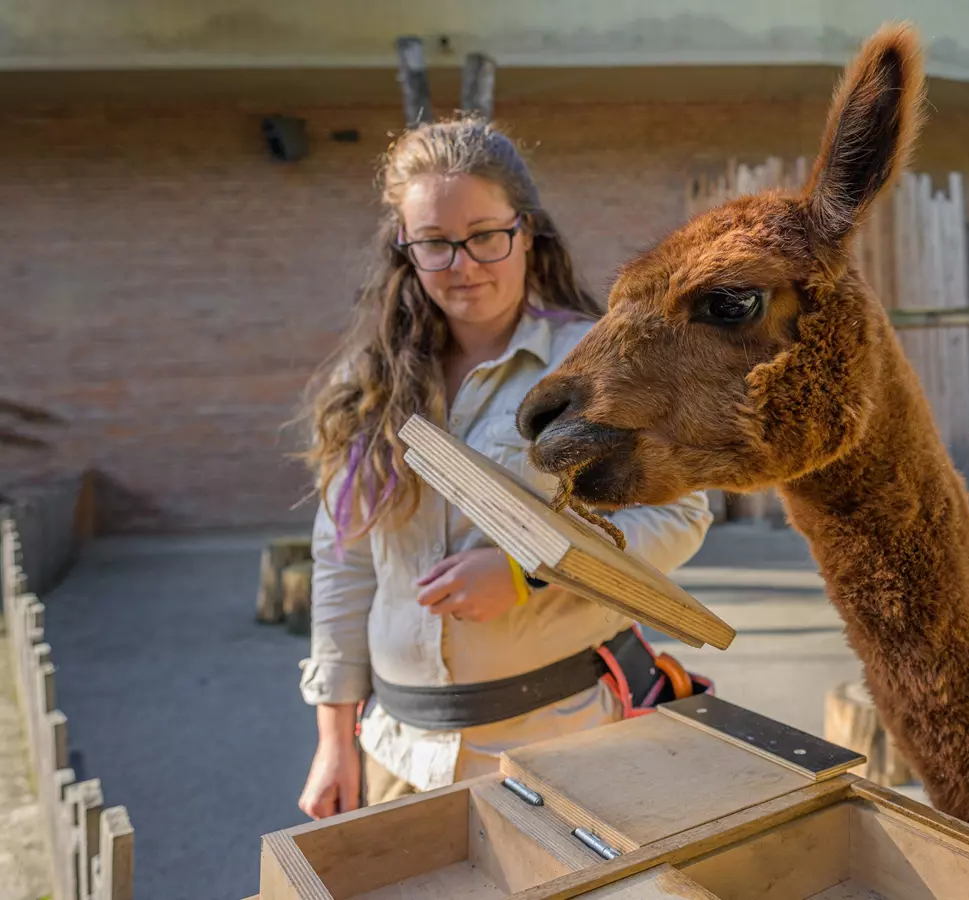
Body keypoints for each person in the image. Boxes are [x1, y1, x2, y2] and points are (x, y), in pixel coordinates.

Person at [293, 115, 713, 818]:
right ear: (406, 249)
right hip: (397, 752)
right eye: (434, 243)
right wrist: (335, 741)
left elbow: (678, 519)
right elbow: (343, 562)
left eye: (486, 235)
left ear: (527, 230)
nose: (463, 264)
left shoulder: (591, 365)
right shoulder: (366, 386)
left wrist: (528, 569)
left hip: (561, 741)